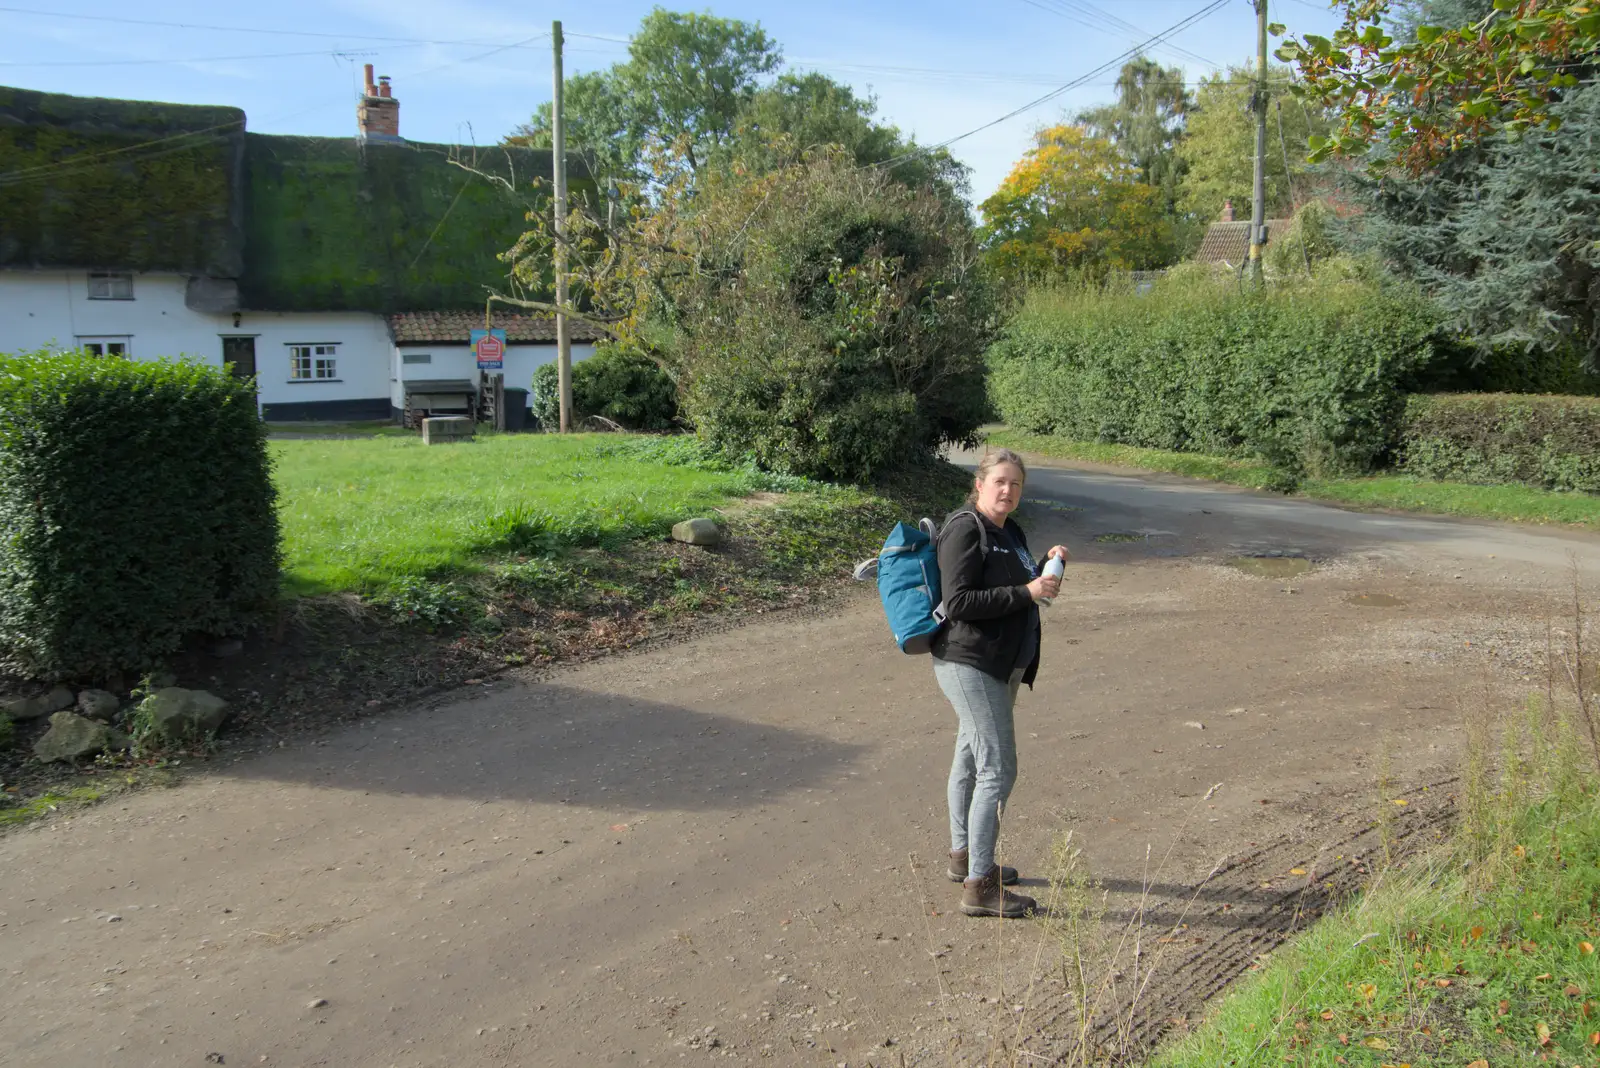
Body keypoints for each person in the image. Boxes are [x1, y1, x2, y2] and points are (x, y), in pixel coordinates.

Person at [931, 448, 1068, 918]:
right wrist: (1026, 592)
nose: (1008, 491)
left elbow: (1021, 586)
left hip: (1002, 665)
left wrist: (1044, 570)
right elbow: (960, 601)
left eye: (1016, 484)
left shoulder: (1010, 531)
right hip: (970, 662)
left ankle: (964, 857)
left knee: (970, 758)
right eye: (1000, 482)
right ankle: (981, 886)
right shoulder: (965, 528)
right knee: (998, 769)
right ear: (980, 484)